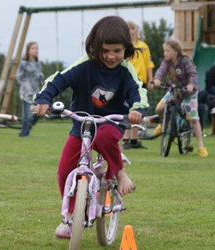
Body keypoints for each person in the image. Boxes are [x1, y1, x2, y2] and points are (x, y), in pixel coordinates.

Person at [34, 16, 149, 239]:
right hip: (82, 125)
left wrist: (138, 110)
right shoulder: (85, 65)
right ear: (95, 48)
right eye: (105, 50)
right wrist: (44, 98)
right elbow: (59, 80)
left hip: (111, 123)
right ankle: (69, 217)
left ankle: (119, 172)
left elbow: (138, 93)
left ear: (126, 48)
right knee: (64, 170)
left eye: (117, 50)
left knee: (105, 137)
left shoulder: (126, 71)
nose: (111, 56)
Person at [153, 39, 208, 157]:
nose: (165, 53)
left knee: (193, 119)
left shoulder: (185, 61)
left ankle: (201, 146)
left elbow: (193, 74)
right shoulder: (166, 62)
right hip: (174, 91)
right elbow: (161, 70)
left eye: (168, 50)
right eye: (164, 51)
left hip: (189, 93)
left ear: (176, 51)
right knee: (159, 108)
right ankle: (163, 124)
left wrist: (191, 85)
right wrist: (157, 79)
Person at [121, 21, 154, 150]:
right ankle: (125, 139)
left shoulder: (143, 46)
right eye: (129, 29)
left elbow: (148, 64)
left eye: (133, 28)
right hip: (128, 82)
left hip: (141, 82)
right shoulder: (125, 47)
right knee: (127, 110)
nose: (132, 31)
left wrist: (151, 79)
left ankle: (134, 140)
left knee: (138, 110)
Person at [15, 42, 44, 137]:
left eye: (37, 48)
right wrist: (27, 86)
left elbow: (38, 76)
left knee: (38, 112)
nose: (36, 50)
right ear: (28, 51)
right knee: (27, 115)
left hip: (36, 93)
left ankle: (30, 124)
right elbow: (19, 76)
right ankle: (24, 133)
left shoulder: (38, 64)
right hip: (26, 93)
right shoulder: (23, 64)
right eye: (33, 48)